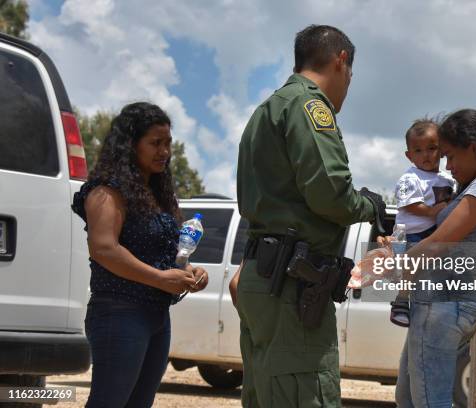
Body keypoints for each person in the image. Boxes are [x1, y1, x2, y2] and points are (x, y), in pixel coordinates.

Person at [234, 25, 386, 408]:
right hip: (289, 285)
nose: (348, 83)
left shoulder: (268, 109)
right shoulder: (310, 106)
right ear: (341, 61)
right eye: (350, 74)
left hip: (266, 277)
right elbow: (331, 194)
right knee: (305, 394)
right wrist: (371, 206)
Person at [390, 109, 476, 408]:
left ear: (473, 147)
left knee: (429, 401)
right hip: (438, 303)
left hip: (445, 304)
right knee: (408, 397)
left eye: (451, 156)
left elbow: (440, 243)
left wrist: (387, 262)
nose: (448, 165)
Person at [71, 102, 208, 407]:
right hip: (119, 313)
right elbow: (104, 249)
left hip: (157, 317)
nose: (165, 152)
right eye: (155, 143)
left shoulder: (159, 194)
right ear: (131, 145)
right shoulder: (107, 191)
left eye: (168, 143)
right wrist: (160, 278)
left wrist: (191, 271)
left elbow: (168, 251)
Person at [389, 118, 455, 327]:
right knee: (412, 266)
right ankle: (401, 302)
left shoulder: (448, 179)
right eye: (418, 150)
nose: (426, 155)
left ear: (442, 150)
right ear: (409, 155)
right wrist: (431, 212)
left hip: (432, 232)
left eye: (432, 148)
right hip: (410, 233)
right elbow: (408, 205)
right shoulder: (410, 178)